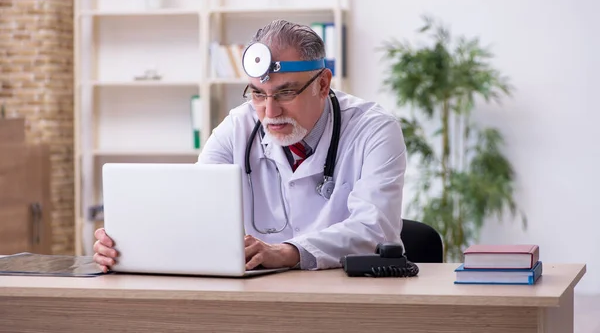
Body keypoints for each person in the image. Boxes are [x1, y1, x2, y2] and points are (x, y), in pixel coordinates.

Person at [93, 19, 407, 272]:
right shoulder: (237, 128)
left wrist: (289, 252)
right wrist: (126, 245)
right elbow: (192, 209)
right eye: (258, 94)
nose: (270, 112)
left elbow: (375, 229)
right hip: (255, 298)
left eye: (285, 93)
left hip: (345, 299)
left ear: (323, 84)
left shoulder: (374, 130)